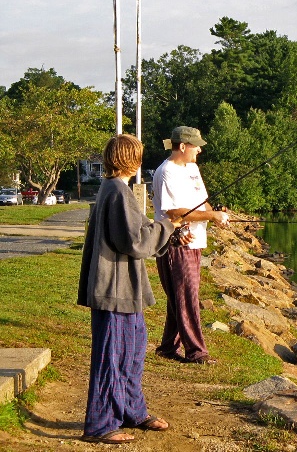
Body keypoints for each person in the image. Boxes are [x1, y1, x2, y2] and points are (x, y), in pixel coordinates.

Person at [77, 134, 179, 445]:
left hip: (125, 289)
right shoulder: (118, 192)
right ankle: (101, 425)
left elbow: (136, 232)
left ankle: (133, 411)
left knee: (132, 352)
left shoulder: (113, 189)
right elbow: (135, 242)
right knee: (113, 356)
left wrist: (168, 232)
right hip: (115, 289)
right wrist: (168, 225)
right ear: (131, 159)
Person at [152, 126, 229, 364]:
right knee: (188, 297)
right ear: (183, 147)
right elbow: (174, 211)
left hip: (194, 242)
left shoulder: (192, 168)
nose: (199, 150)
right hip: (176, 244)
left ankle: (167, 348)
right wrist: (211, 217)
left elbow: (202, 202)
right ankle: (197, 352)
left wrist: (216, 214)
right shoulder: (166, 172)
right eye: (196, 146)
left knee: (181, 297)